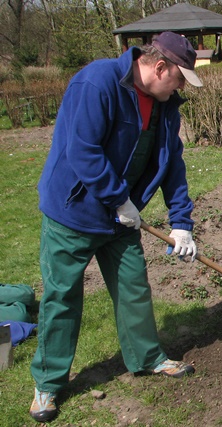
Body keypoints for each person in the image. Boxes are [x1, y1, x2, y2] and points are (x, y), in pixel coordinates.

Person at [29, 31, 203, 423]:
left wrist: (181, 223)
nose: (180, 86)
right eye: (179, 77)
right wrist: (118, 199)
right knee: (62, 297)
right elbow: (83, 150)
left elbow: (171, 163)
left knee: (133, 287)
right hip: (72, 212)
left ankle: (147, 358)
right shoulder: (97, 82)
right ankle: (49, 383)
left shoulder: (165, 104)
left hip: (121, 219)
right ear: (160, 67)